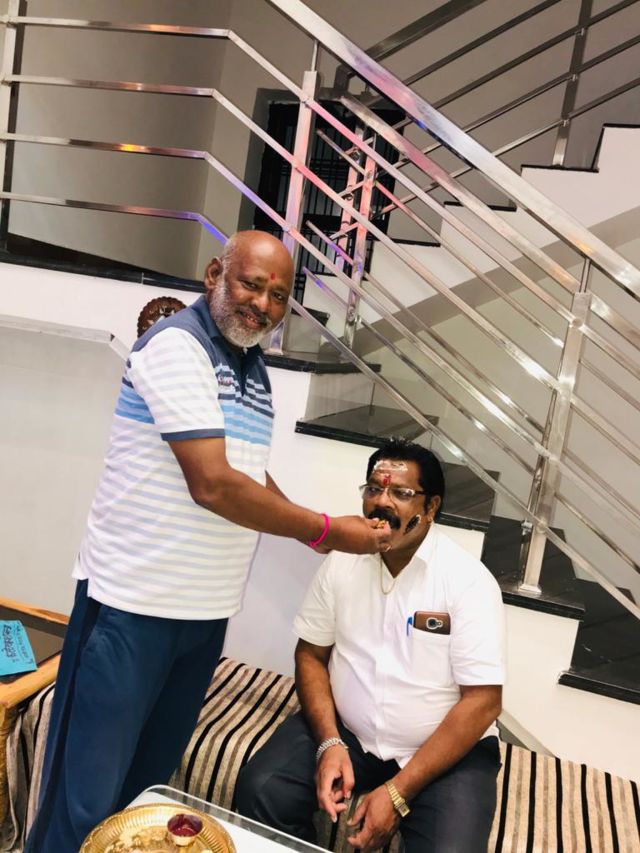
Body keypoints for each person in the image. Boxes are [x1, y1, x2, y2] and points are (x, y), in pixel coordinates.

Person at [25, 230, 391, 853]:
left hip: (204, 614)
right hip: (133, 607)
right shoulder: (177, 345)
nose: (264, 305)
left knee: (143, 794)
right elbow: (214, 484)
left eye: (279, 296)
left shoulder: (253, 368)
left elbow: (245, 473)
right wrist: (326, 530)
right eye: (252, 284)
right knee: (83, 798)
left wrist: (311, 530)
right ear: (215, 275)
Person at [236, 438, 505, 853]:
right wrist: (329, 742)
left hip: (444, 753)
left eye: (402, 493)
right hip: (350, 734)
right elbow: (311, 654)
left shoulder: (467, 581)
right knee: (261, 790)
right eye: (374, 489)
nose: (382, 502)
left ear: (431, 507)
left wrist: (398, 792)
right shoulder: (342, 560)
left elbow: (483, 702)